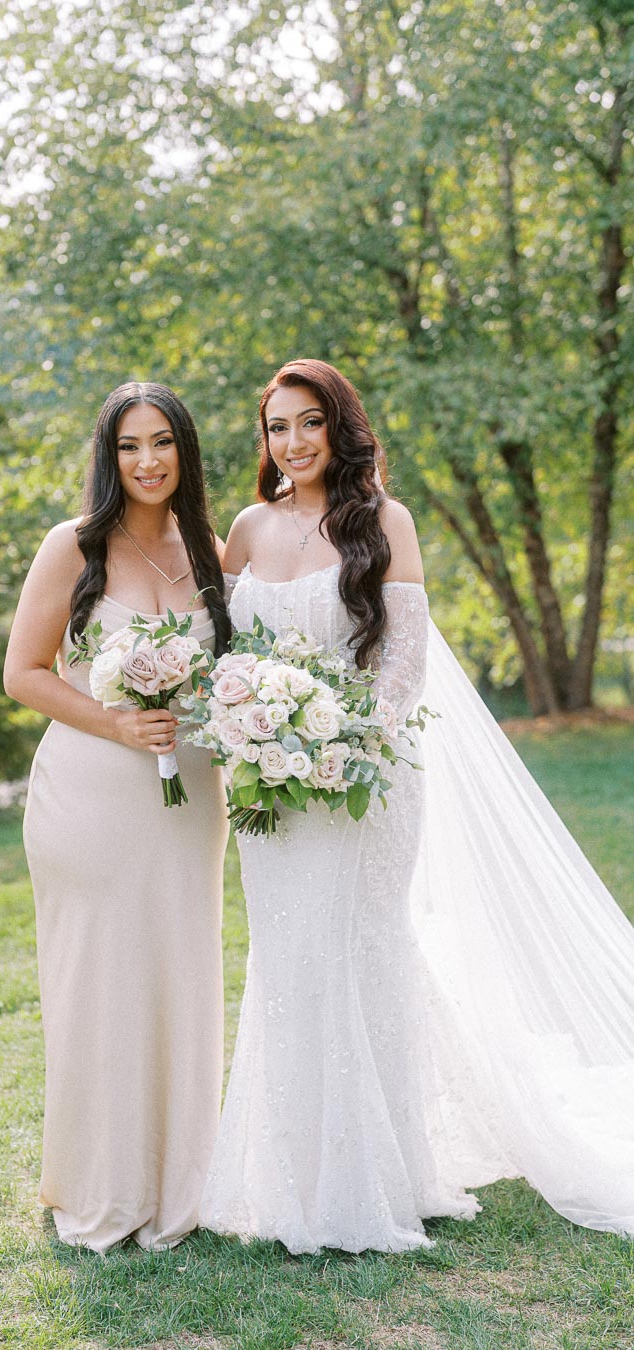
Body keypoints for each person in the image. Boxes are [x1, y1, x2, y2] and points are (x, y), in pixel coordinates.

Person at [200, 357, 634, 1254]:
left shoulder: (384, 521)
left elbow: (402, 662)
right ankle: (296, 1178)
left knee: (360, 953)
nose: (293, 442)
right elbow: (220, 650)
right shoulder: (245, 528)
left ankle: (383, 1175)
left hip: (368, 778)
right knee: (290, 961)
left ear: (340, 427)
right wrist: (248, 723)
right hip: (269, 789)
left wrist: (342, 743)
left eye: (310, 422)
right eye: (278, 427)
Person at [4, 381, 231, 1252]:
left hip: (189, 798)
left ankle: (181, 1182)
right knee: (101, 983)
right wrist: (117, 722)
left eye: (162, 441)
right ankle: (103, 1184)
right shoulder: (73, 545)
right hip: (91, 795)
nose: (148, 460)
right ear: (109, 457)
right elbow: (23, 673)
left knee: (179, 974)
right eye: (130, 445)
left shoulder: (210, 550)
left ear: (185, 451)